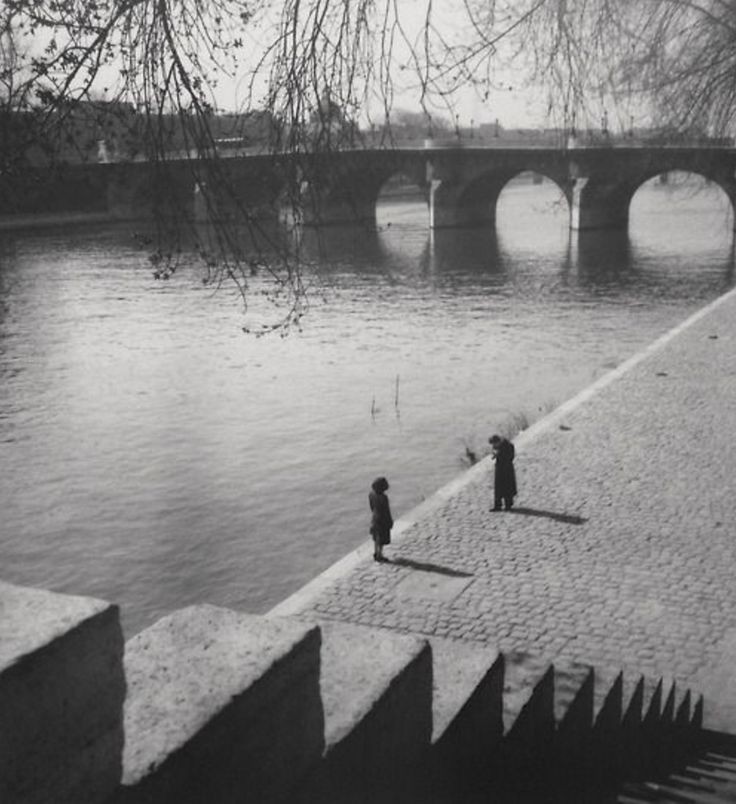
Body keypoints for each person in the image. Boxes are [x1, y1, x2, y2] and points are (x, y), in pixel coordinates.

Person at [489, 434, 517, 511]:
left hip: (507, 469)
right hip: (499, 469)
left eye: (494, 444)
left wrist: (499, 455)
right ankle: (497, 505)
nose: (494, 445)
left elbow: (510, 457)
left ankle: (508, 505)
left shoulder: (508, 446)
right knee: (498, 488)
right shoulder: (498, 447)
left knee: (507, 487)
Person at [369, 476, 393, 562]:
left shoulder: (371, 494)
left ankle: (376, 553)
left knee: (376, 537)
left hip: (375, 518)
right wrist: (390, 521)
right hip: (382, 520)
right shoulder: (383, 497)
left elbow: (371, 506)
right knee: (381, 539)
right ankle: (380, 555)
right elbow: (386, 510)